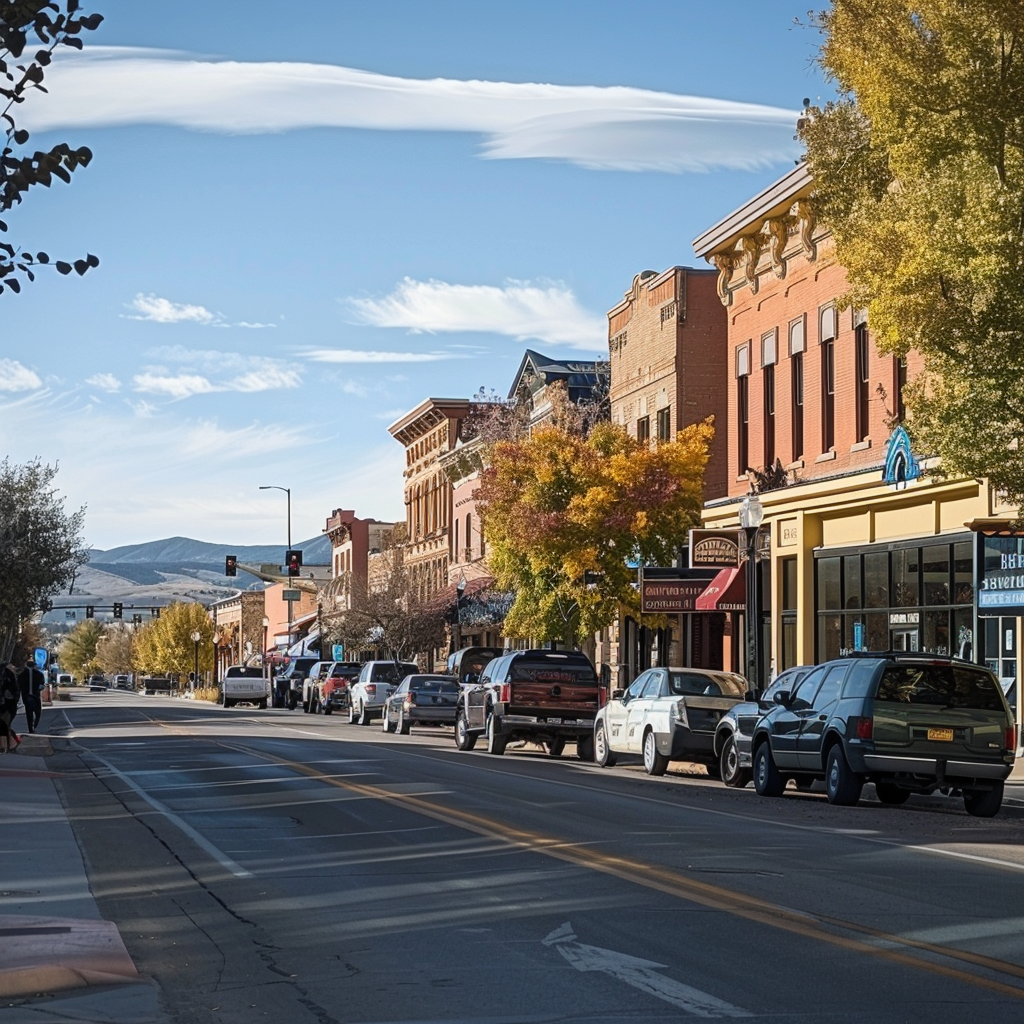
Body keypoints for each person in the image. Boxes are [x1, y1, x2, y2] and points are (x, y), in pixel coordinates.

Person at [17, 661, 44, 735]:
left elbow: (42, 683)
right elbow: (19, 686)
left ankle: (32, 727)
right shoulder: (23, 675)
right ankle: (31, 728)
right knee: (33, 712)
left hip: (31, 695)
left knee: (32, 713)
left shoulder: (38, 674)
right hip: (31, 695)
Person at [0, 662, 20, 752]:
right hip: (7, 705)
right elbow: (14, 691)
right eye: (12, 666)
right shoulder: (8, 675)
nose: (14, 667)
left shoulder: (7, 674)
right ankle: (8, 745)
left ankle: (7, 745)